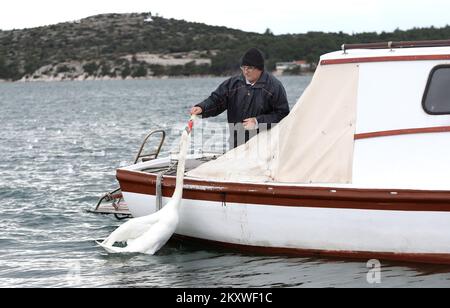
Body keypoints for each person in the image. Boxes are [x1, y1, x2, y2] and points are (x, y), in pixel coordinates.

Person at [190, 47, 290, 149]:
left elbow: (282, 114)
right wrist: (202, 107)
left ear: (259, 68)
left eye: (250, 68)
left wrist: (257, 122)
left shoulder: (274, 86)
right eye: (243, 67)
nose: (246, 72)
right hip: (236, 144)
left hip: (264, 146)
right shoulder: (232, 84)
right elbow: (216, 100)